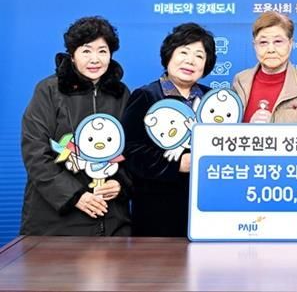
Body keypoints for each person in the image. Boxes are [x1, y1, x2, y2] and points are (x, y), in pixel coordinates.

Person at [20, 16, 131, 236]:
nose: (95, 59)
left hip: (112, 221)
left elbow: (132, 150)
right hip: (56, 221)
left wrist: (121, 183)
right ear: (72, 55)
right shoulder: (49, 90)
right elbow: (35, 151)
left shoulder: (121, 93)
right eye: (86, 51)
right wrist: (75, 196)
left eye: (102, 51)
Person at [122, 22, 216, 237]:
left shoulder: (212, 99)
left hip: (205, 205)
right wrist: (177, 164)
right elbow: (130, 150)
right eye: (184, 52)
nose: (190, 60)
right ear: (169, 55)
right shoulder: (146, 96)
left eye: (199, 56)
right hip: (157, 208)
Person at [232, 11, 297, 123]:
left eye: (278, 41)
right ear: (255, 46)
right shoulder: (240, 81)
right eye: (263, 42)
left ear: (290, 44)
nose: (271, 49)